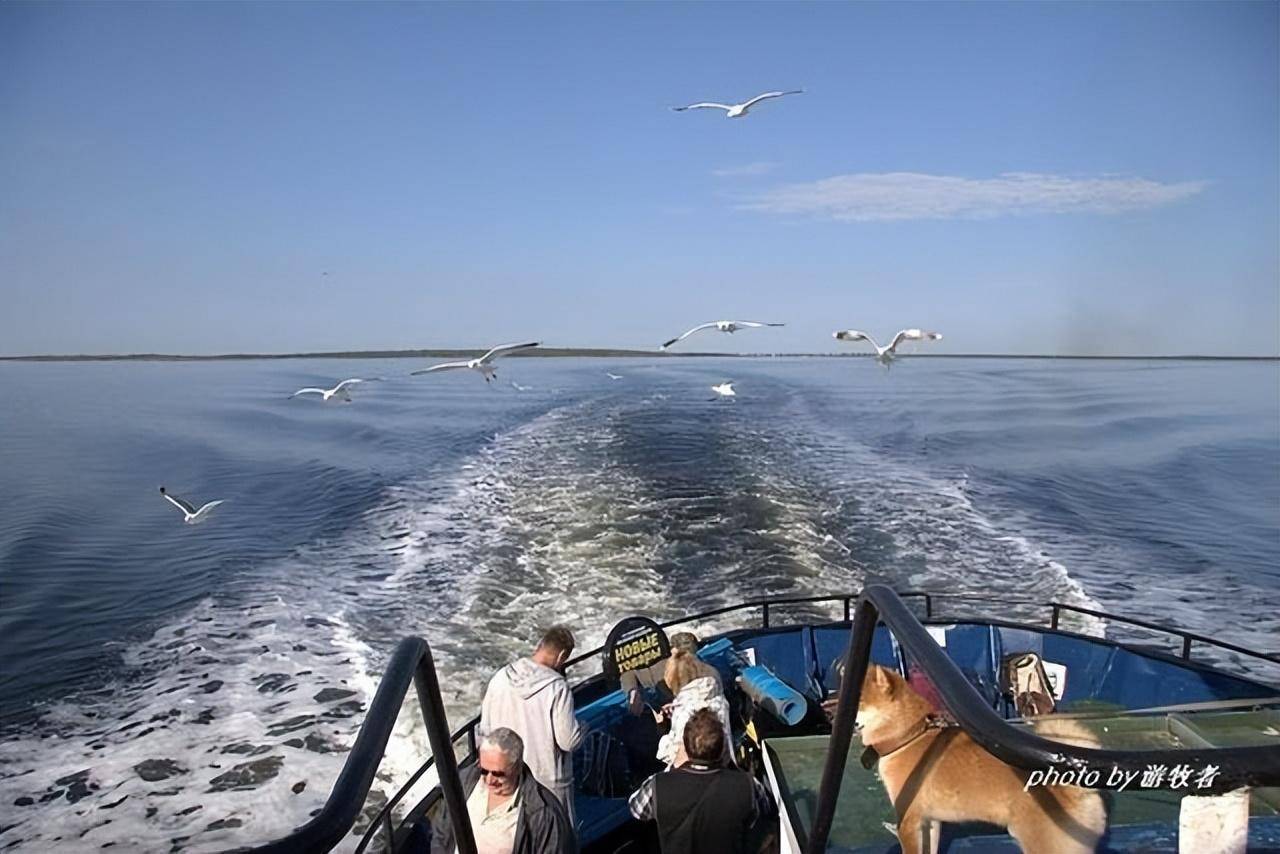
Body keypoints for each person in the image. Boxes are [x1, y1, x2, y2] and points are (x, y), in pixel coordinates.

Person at [629, 708, 776, 854]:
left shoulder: (658, 785)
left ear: (686, 747)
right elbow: (764, 815)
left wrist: (673, 766)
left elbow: (637, 809)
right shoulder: (749, 785)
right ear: (722, 747)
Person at [480, 626, 585, 825]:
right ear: (562, 655)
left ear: (540, 646)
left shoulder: (500, 678)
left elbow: (485, 731)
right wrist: (583, 729)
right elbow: (568, 741)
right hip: (547, 785)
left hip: (509, 779)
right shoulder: (557, 688)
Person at [430, 728, 576, 854]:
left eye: (498, 774)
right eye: (483, 771)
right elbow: (442, 833)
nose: (489, 780)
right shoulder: (464, 782)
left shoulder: (545, 813)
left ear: (517, 768)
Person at [655, 647, 732, 767]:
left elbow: (675, 756)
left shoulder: (685, 712)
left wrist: (662, 728)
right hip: (724, 765)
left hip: (697, 773)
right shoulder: (717, 697)